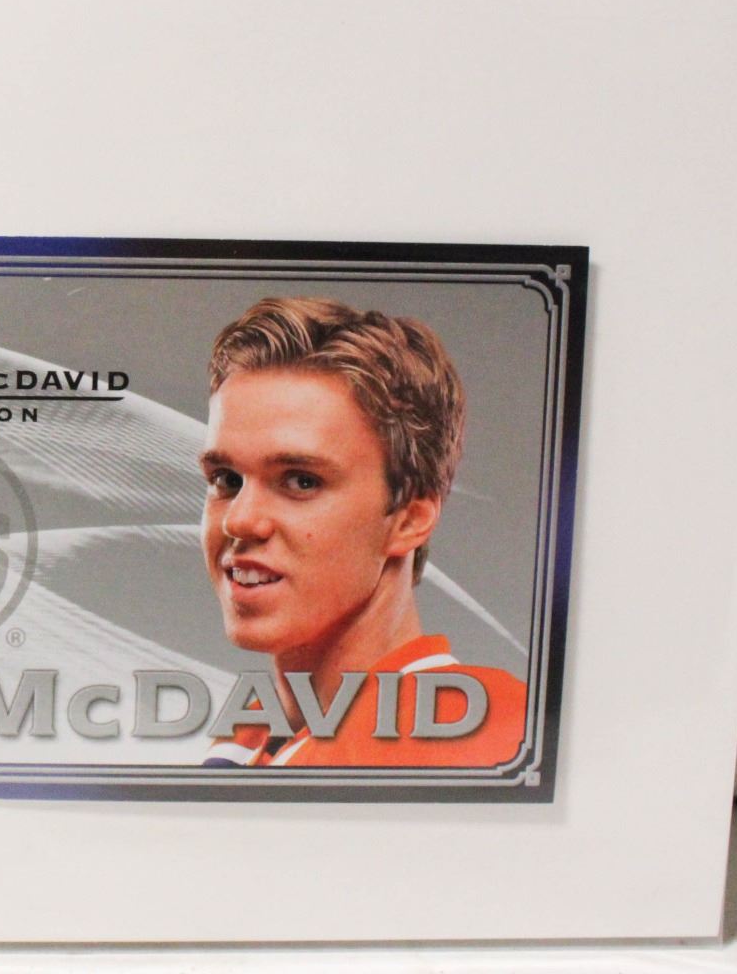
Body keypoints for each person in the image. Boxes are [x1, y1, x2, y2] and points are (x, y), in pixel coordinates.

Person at [197, 297, 525, 768]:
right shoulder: (247, 736)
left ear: (409, 519)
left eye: (301, 481)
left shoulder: (490, 732)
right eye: (227, 479)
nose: (239, 520)